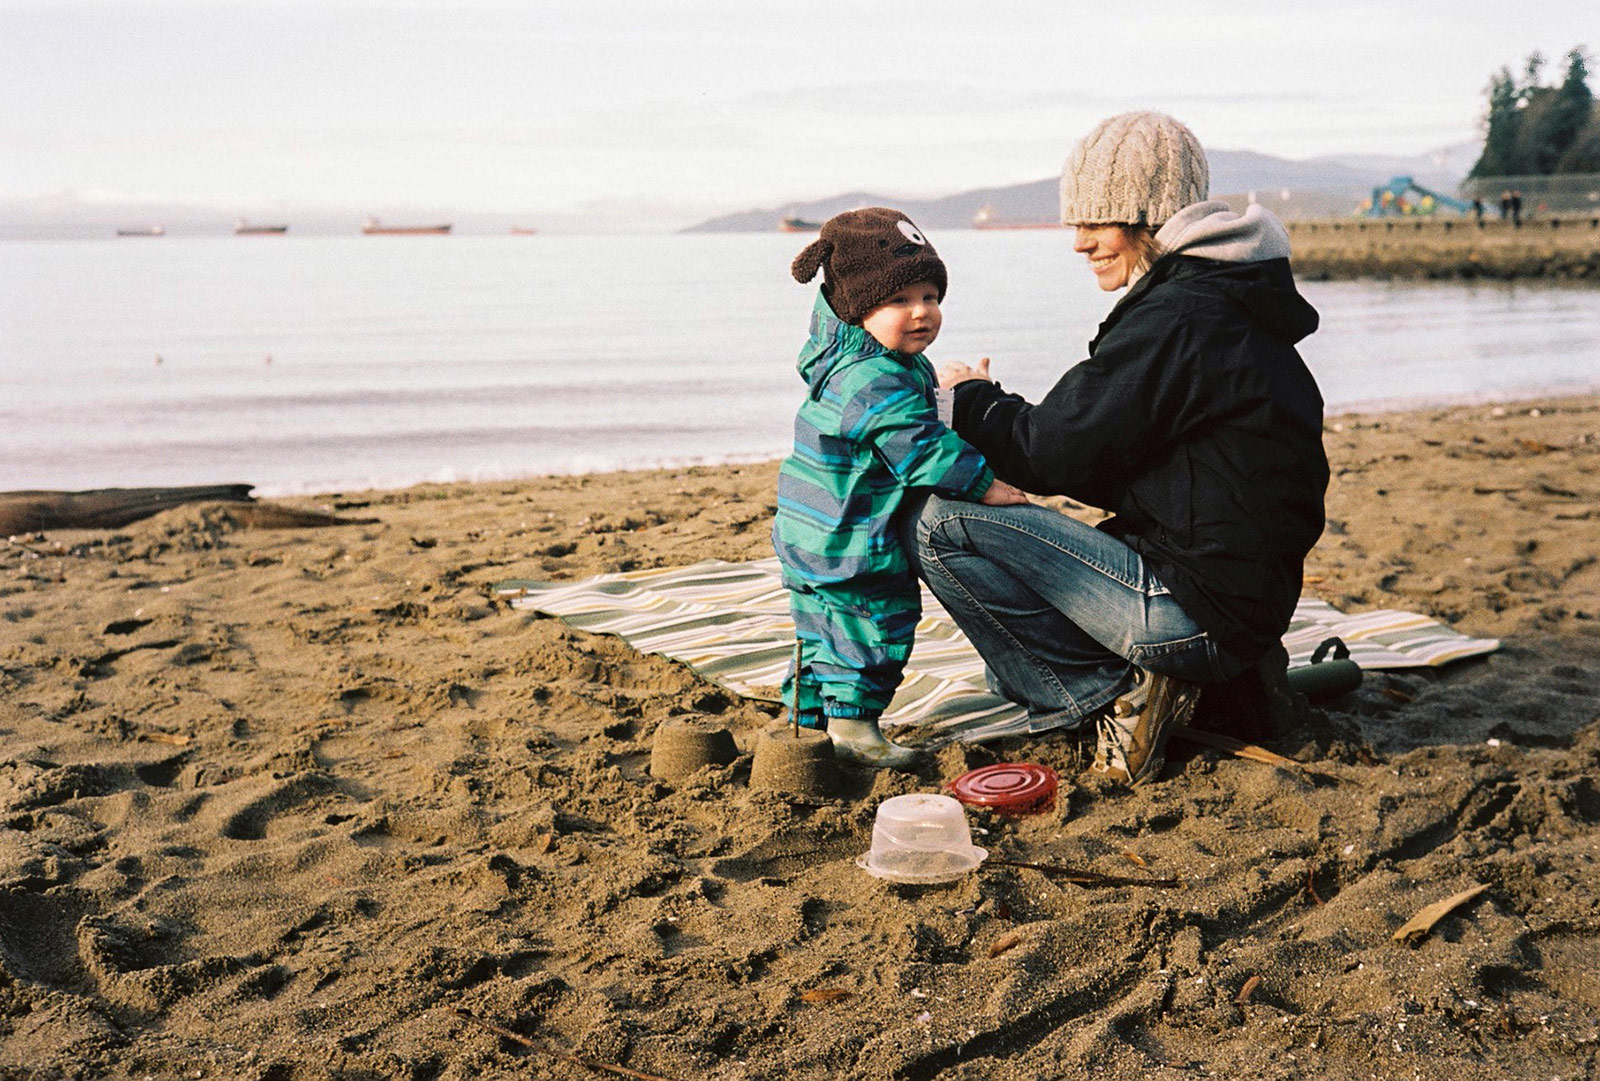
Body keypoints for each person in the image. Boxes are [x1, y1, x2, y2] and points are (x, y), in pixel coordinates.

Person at [906, 112, 1329, 785]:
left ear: (1148, 214)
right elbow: (1125, 461)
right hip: (1245, 605)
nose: (1079, 244)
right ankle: (1206, 683)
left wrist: (973, 400)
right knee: (1009, 642)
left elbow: (1053, 454)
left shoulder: (1181, 315)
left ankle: (1114, 700)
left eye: (1096, 221)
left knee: (937, 522)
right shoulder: (1230, 298)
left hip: (1200, 609)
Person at [774, 208, 1029, 769]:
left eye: (930, 296)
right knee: (873, 627)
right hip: (852, 539)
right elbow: (919, 450)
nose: (922, 313)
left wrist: (947, 388)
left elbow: (903, 414)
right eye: (899, 301)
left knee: (821, 630)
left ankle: (805, 722)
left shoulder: (856, 357)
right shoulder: (876, 378)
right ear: (858, 306)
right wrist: (985, 484)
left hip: (808, 527)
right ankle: (854, 732)